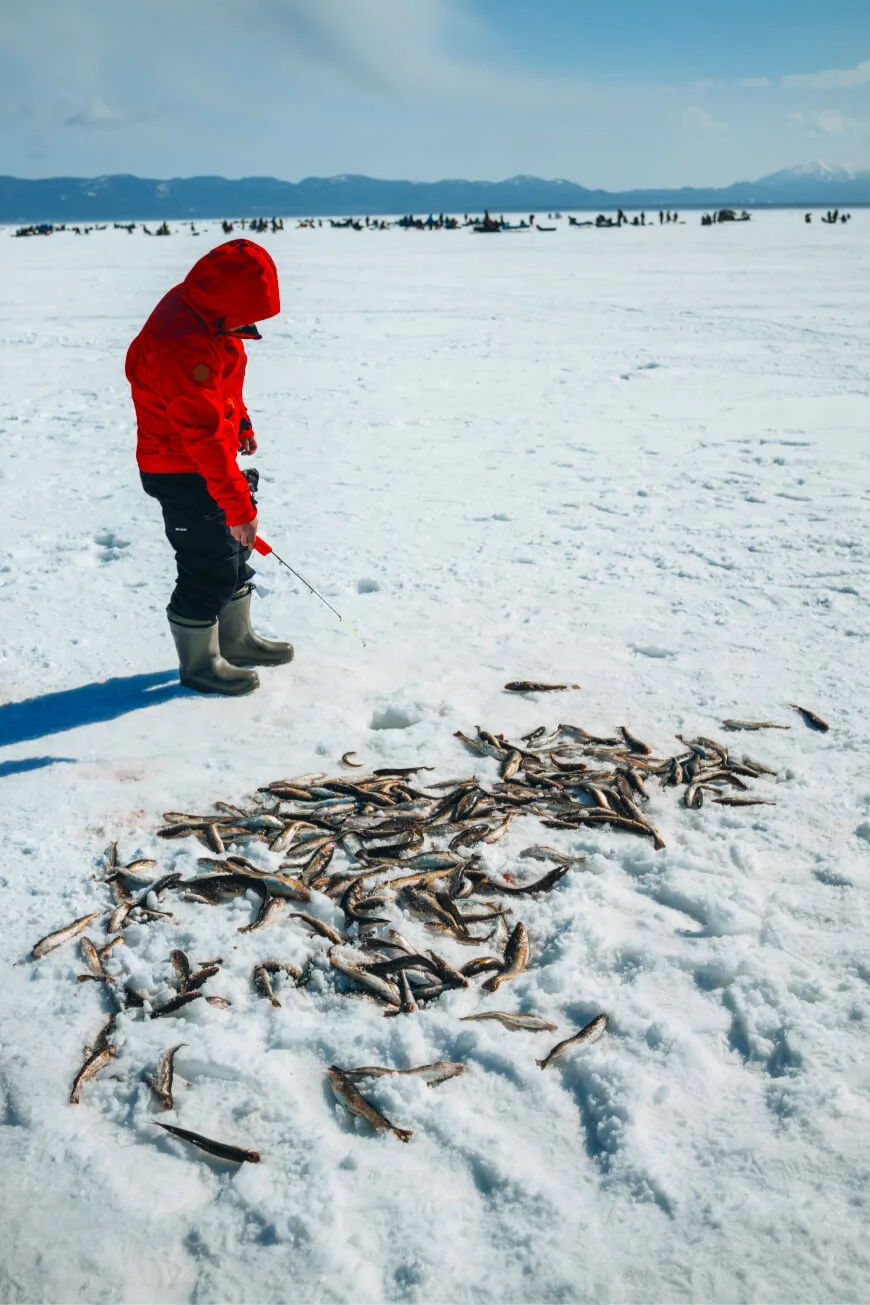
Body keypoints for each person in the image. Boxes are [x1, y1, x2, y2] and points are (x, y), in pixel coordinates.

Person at [125, 238, 294, 696]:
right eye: (247, 314)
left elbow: (221, 384)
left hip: (206, 459)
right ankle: (200, 663)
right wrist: (238, 506)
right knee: (209, 563)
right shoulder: (180, 341)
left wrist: (240, 422)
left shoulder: (209, 316)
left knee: (234, 553)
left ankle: (236, 641)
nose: (251, 324)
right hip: (179, 468)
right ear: (227, 303)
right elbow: (199, 431)